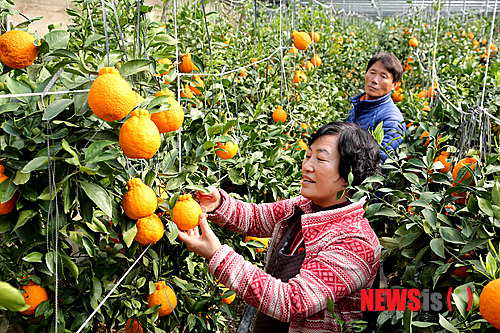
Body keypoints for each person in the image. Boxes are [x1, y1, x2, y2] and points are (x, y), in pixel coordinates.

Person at [178, 121, 381, 333]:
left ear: (350, 175)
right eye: (308, 155)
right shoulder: (303, 207)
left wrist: (218, 256)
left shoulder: (356, 243)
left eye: (320, 159)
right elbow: (256, 218)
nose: (307, 166)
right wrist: (219, 203)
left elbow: (292, 302)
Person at [346, 51, 406, 163]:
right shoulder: (358, 107)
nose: (374, 80)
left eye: (383, 76)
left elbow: (380, 163)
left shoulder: (392, 120)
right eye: (372, 72)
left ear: (394, 85)